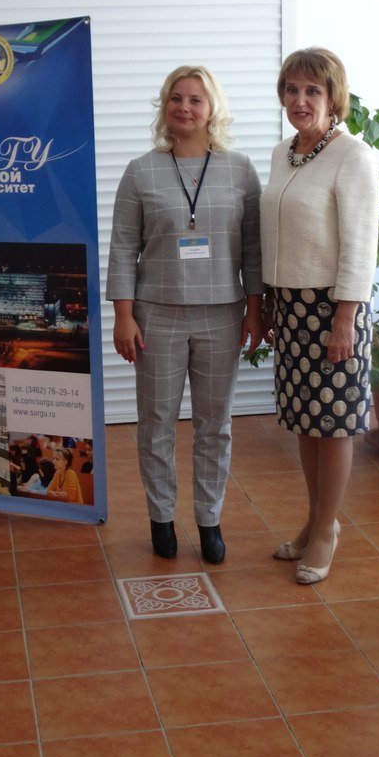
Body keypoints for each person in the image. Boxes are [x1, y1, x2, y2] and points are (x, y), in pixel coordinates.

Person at [107, 65, 264, 563]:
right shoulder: (141, 170)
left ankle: (209, 519)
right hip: (156, 316)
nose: (185, 107)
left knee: (215, 424)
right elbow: (123, 247)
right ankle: (161, 519)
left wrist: (255, 309)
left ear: (212, 108)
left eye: (196, 99)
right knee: (156, 422)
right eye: (176, 98)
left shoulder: (241, 170)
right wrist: (123, 315)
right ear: (165, 106)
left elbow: (254, 250)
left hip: (222, 315)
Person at [260, 47, 379, 585]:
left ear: (333, 98)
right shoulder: (282, 152)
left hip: (333, 307)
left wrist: (344, 318)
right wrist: (269, 302)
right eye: (292, 90)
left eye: (313, 90)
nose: (300, 100)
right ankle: (314, 521)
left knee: (333, 426)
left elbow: (361, 244)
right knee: (305, 424)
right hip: (291, 307)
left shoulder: (353, 155)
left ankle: (327, 530)